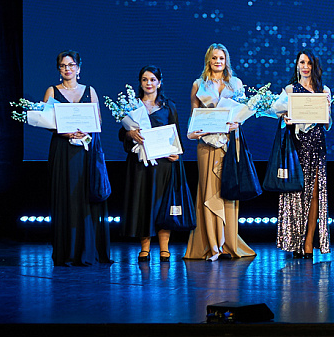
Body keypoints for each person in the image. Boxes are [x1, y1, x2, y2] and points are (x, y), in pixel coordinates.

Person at [185, 43, 256, 262]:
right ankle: (212, 245)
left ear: (226, 61)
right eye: (214, 58)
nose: (218, 62)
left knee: (228, 190)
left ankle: (228, 242)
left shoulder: (236, 84)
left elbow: (241, 113)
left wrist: (238, 123)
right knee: (208, 192)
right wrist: (193, 132)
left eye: (221, 58)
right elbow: (194, 116)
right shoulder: (198, 84)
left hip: (229, 144)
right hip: (207, 144)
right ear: (209, 60)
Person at [43, 49, 112, 267]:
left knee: (84, 195)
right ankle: (67, 251)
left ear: (78, 68)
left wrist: (86, 131)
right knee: (66, 196)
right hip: (63, 151)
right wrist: (66, 133)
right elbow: (47, 121)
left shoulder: (90, 91)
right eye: (63, 66)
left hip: (85, 150)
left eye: (71, 65)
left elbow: (98, 121)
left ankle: (88, 249)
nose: (67, 69)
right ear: (59, 69)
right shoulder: (52, 91)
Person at [119, 65, 184, 262]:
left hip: (163, 164)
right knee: (143, 204)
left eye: (153, 79)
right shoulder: (132, 106)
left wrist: (176, 153)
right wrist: (130, 133)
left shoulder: (168, 106)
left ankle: (164, 248)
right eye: (145, 79)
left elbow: (175, 133)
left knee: (162, 205)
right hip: (140, 164)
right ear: (140, 83)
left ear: (159, 83)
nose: (149, 83)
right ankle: (145, 248)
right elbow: (122, 134)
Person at [276, 48, 332, 258]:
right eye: (302, 62)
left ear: (314, 66)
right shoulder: (290, 89)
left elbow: (327, 124)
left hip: (316, 144)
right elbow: (280, 113)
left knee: (314, 194)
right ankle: (294, 241)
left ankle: (308, 242)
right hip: (296, 145)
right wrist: (286, 118)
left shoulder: (323, 90)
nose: (306, 67)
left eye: (309, 63)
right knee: (295, 193)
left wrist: (326, 108)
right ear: (297, 65)